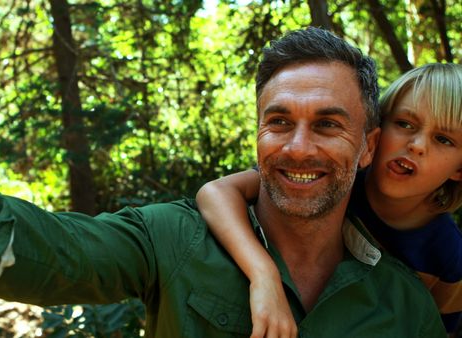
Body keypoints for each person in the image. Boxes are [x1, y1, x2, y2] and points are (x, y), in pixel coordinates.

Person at [0, 27, 446, 337]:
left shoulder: (405, 304)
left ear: (367, 147)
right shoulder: (172, 239)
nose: (297, 146)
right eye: (278, 121)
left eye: (328, 125)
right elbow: (48, 252)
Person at [197, 62, 462, 337]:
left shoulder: (449, 259)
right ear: (375, 132)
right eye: (404, 124)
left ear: (459, 169)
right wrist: (264, 274)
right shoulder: (335, 176)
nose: (417, 145)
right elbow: (216, 193)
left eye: (443, 139)